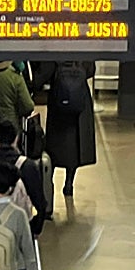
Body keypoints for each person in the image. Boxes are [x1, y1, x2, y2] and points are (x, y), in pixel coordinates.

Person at [0, 120, 49, 235]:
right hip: (19, 231)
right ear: (16, 139)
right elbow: (40, 204)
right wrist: (33, 229)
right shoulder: (27, 166)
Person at [39, 61, 97, 197]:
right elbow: (91, 70)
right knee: (76, 144)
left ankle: (49, 181)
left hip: (59, 99)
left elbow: (44, 73)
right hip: (80, 99)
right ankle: (69, 183)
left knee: (55, 143)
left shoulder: (56, 46)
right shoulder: (85, 45)